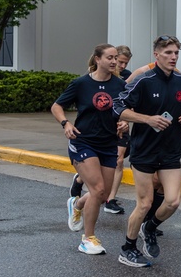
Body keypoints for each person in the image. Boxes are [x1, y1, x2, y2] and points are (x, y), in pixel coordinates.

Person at [112, 35, 181, 267]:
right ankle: (127, 248)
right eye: (168, 53)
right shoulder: (144, 80)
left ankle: (149, 227)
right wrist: (147, 119)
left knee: (173, 201)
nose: (173, 57)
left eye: (176, 53)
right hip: (144, 150)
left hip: (170, 150)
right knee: (145, 203)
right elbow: (118, 107)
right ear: (156, 55)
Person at [51, 44, 128, 256]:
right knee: (97, 189)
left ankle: (76, 204)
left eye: (116, 58)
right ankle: (88, 238)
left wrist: (124, 123)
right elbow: (56, 107)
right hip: (83, 141)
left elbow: (125, 111)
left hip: (108, 142)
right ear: (97, 59)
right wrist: (66, 123)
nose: (113, 62)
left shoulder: (119, 85)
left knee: (102, 195)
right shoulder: (81, 83)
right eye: (109, 58)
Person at [101, 44, 135, 214]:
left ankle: (110, 199)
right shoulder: (102, 76)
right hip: (103, 126)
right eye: (120, 61)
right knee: (102, 161)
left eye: (125, 63)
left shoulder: (127, 77)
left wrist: (126, 120)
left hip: (121, 125)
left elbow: (131, 104)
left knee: (119, 160)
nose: (122, 66)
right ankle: (80, 180)